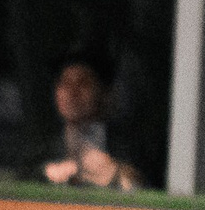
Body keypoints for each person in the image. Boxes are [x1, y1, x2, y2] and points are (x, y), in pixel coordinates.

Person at [39, 49, 142, 190]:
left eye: (83, 83)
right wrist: (47, 173)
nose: (72, 92)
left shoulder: (130, 144)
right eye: (65, 83)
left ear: (104, 93)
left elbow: (150, 185)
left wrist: (114, 173)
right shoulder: (42, 146)